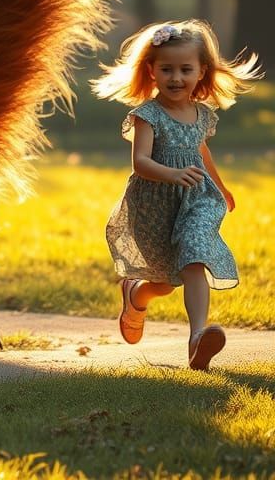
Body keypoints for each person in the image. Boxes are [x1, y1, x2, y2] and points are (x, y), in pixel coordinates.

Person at [92, 19, 261, 370]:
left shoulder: (202, 115)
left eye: (185, 69)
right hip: (155, 205)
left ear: (201, 71)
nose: (176, 78)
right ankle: (135, 295)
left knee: (194, 255)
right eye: (167, 69)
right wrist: (172, 174)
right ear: (151, 71)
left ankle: (197, 338)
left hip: (196, 199)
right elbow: (140, 162)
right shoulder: (148, 115)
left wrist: (221, 187)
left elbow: (201, 151)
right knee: (164, 283)